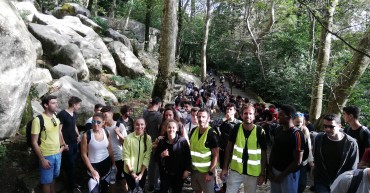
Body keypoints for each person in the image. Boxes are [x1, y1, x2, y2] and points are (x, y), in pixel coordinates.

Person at [220, 103, 267, 193]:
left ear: (254, 116)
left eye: (250, 113)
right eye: (245, 113)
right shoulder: (236, 128)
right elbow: (229, 148)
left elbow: (264, 153)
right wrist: (225, 168)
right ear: (241, 115)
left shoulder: (260, 131)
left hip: (253, 173)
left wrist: (262, 173)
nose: (248, 116)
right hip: (235, 170)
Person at [314, 114, 359, 193]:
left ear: (339, 126)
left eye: (331, 127)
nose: (327, 129)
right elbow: (316, 158)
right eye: (325, 126)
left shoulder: (351, 143)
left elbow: (352, 167)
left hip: (341, 180)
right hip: (322, 180)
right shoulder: (319, 138)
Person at [31, 95, 64, 193]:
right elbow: (34, 142)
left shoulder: (55, 116)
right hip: (47, 155)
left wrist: (62, 147)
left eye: (56, 102)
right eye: (53, 103)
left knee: (53, 179)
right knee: (46, 182)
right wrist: (42, 159)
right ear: (46, 105)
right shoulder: (38, 120)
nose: (56, 104)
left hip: (57, 153)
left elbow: (58, 132)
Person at [269, 104, 305, 193]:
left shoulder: (297, 134)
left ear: (289, 117)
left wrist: (282, 175)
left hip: (288, 175)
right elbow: (273, 150)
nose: (278, 117)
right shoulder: (278, 130)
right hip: (275, 171)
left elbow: (298, 161)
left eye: (281, 115)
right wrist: (269, 169)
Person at [80, 113, 116, 193]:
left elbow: (109, 149)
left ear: (103, 122)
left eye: (98, 122)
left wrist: (114, 164)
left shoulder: (106, 132)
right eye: (93, 122)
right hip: (93, 164)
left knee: (105, 188)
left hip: (106, 163)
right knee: (94, 190)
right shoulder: (87, 135)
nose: (95, 124)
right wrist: (92, 170)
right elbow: (83, 154)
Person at [155, 119, 192, 193]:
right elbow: (155, 158)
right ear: (166, 128)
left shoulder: (182, 141)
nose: (171, 129)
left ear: (177, 129)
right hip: (166, 173)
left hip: (179, 173)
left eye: (173, 127)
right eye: (169, 127)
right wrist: (161, 155)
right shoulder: (162, 142)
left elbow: (188, 157)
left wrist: (187, 170)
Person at [189, 109, 219, 193]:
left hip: (206, 172)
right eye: (199, 117)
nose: (201, 119)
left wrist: (210, 173)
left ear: (208, 118)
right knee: (197, 190)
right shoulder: (193, 131)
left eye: (203, 117)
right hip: (194, 170)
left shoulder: (212, 134)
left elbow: (216, 155)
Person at [57, 96, 82, 193]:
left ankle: (73, 183)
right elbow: (59, 130)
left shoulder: (74, 114)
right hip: (67, 144)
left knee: (73, 164)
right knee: (70, 165)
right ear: (74, 104)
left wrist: (78, 135)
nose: (79, 107)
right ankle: (71, 186)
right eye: (78, 105)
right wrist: (63, 144)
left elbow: (74, 125)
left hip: (74, 142)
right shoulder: (62, 114)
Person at [101, 106, 128, 193]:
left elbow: (126, 142)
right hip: (106, 157)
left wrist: (118, 133)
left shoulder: (120, 125)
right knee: (111, 181)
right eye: (102, 115)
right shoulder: (101, 127)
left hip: (118, 157)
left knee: (122, 179)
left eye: (105, 115)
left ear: (111, 114)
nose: (103, 117)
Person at [216, 103, 242, 192]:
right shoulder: (222, 122)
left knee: (234, 170)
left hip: (234, 151)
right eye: (227, 109)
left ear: (235, 111)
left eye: (231, 109)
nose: (228, 111)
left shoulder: (239, 123)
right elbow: (212, 125)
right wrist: (224, 119)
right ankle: (225, 186)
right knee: (223, 168)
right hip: (223, 150)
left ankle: (235, 188)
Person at [122, 118, 152, 191]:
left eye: (142, 124)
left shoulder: (148, 138)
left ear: (145, 125)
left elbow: (147, 157)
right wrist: (132, 173)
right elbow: (126, 157)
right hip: (129, 171)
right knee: (132, 189)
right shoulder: (128, 138)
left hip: (142, 171)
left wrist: (141, 174)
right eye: (137, 124)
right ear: (134, 125)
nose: (139, 126)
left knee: (140, 189)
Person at [143, 97, 162, 192]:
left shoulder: (145, 112)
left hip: (147, 141)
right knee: (157, 164)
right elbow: (160, 129)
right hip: (156, 142)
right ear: (159, 104)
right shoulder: (158, 115)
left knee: (150, 164)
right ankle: (156, 185)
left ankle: (150, 185)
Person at [293, 112, 314, 193]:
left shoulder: (305, 130)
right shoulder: (290, 130)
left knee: (302, 183)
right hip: (292, 162)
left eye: (301, 122)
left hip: (303, 162)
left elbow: (309, 146)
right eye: (297, 122)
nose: (299, 124)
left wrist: (310, 160)